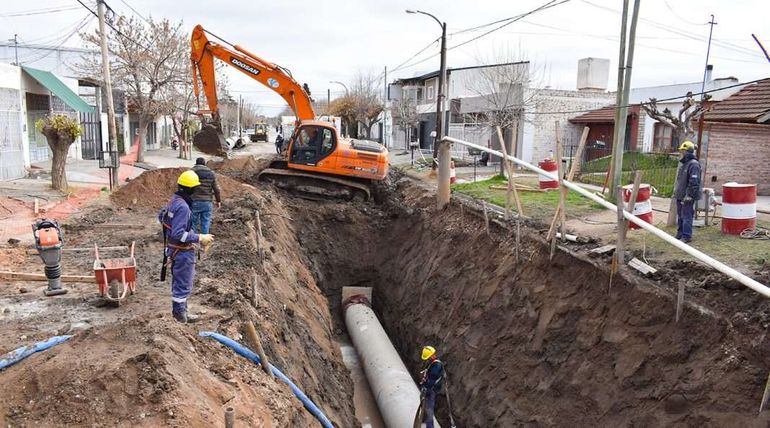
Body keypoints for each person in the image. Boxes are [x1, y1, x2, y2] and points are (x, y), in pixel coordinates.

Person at [159, 171, 214, 323]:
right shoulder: (183, 207)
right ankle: (180, 316)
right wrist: (199, 237)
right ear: (192, 189)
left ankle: (182, 312)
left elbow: (162, 217)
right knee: (183, 284)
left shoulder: (174, 201)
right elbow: (178, 233)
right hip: (182, 251)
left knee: (180, 282)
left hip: (174, 249)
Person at [673, 140, 701, 243]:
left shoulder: (693, 165)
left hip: (687, 196)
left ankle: (686, 236)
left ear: (687, 152)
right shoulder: (685, 164)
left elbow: (694, 182)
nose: (681, 153)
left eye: (682, 151)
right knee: (680, 215)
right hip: (680, 195)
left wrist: (689, 195)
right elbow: (681, 181)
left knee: (686, 216)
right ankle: (680, 233)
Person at [191, 158, 222, 234]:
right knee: (205, 222)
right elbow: (216, 189)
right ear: (204, 164)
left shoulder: (191, 172)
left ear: (196, 164)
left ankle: (192, 239)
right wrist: (218, 201)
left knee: (192, 222)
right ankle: (205, 240)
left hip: (194, 201)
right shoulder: (211, 173)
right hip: (207, 202)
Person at [419, 345, 445, 428]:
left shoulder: (436, 366)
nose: (428, 359)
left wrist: (426, 387)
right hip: (429, 388)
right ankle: (423, 419)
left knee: (429, 408)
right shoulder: (432, 363)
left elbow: (432, 380)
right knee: (424, 404)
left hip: (431, 390)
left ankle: (430, 426)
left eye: (428, 358)